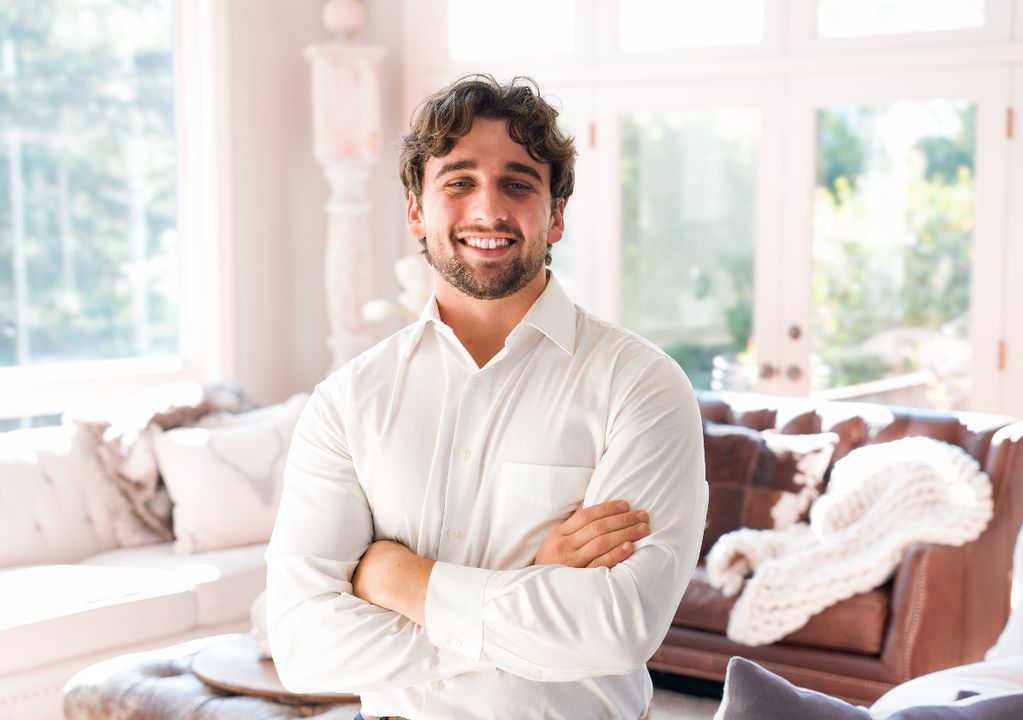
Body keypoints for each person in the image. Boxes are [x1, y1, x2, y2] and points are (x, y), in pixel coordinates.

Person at [265, 74, 708, 720]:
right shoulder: (347, 401)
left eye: (518, 184)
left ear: (556, 215)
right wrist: (530, 587)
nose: (488, 211)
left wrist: (398, 580)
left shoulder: (641, 385)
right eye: (459, 182)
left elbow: (618, 627)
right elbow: (303, 645)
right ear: (416, 210)